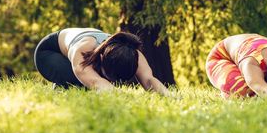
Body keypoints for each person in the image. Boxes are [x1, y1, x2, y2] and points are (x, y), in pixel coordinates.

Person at [34, 28, 169, 94]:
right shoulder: (84, 46)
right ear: (101, 58)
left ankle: (63, 86)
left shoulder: (131, 52)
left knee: (89, 86)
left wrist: (169, 96)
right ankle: (61, 86)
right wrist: (121, 96)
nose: (114, 81)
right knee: (83, 83)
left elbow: (149, 80)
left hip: (74, 58)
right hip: (49, 53)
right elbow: (95, 81)